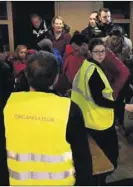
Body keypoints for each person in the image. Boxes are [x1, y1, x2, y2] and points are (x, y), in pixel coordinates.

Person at [2, 51, 93, 185]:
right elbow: (82, 160)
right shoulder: (69, 109)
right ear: (56, 78)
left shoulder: (8, 106)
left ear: (26, 75)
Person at [71, 38, 119, 184]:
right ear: (90, 52)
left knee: (96, 157)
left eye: (103, 51)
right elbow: (98, 99)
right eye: (97, 52)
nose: (100, 54)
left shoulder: (86, 65)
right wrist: (121, 107)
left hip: (86, 117)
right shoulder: (93, 71)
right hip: (98, 120)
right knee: (109, 157)